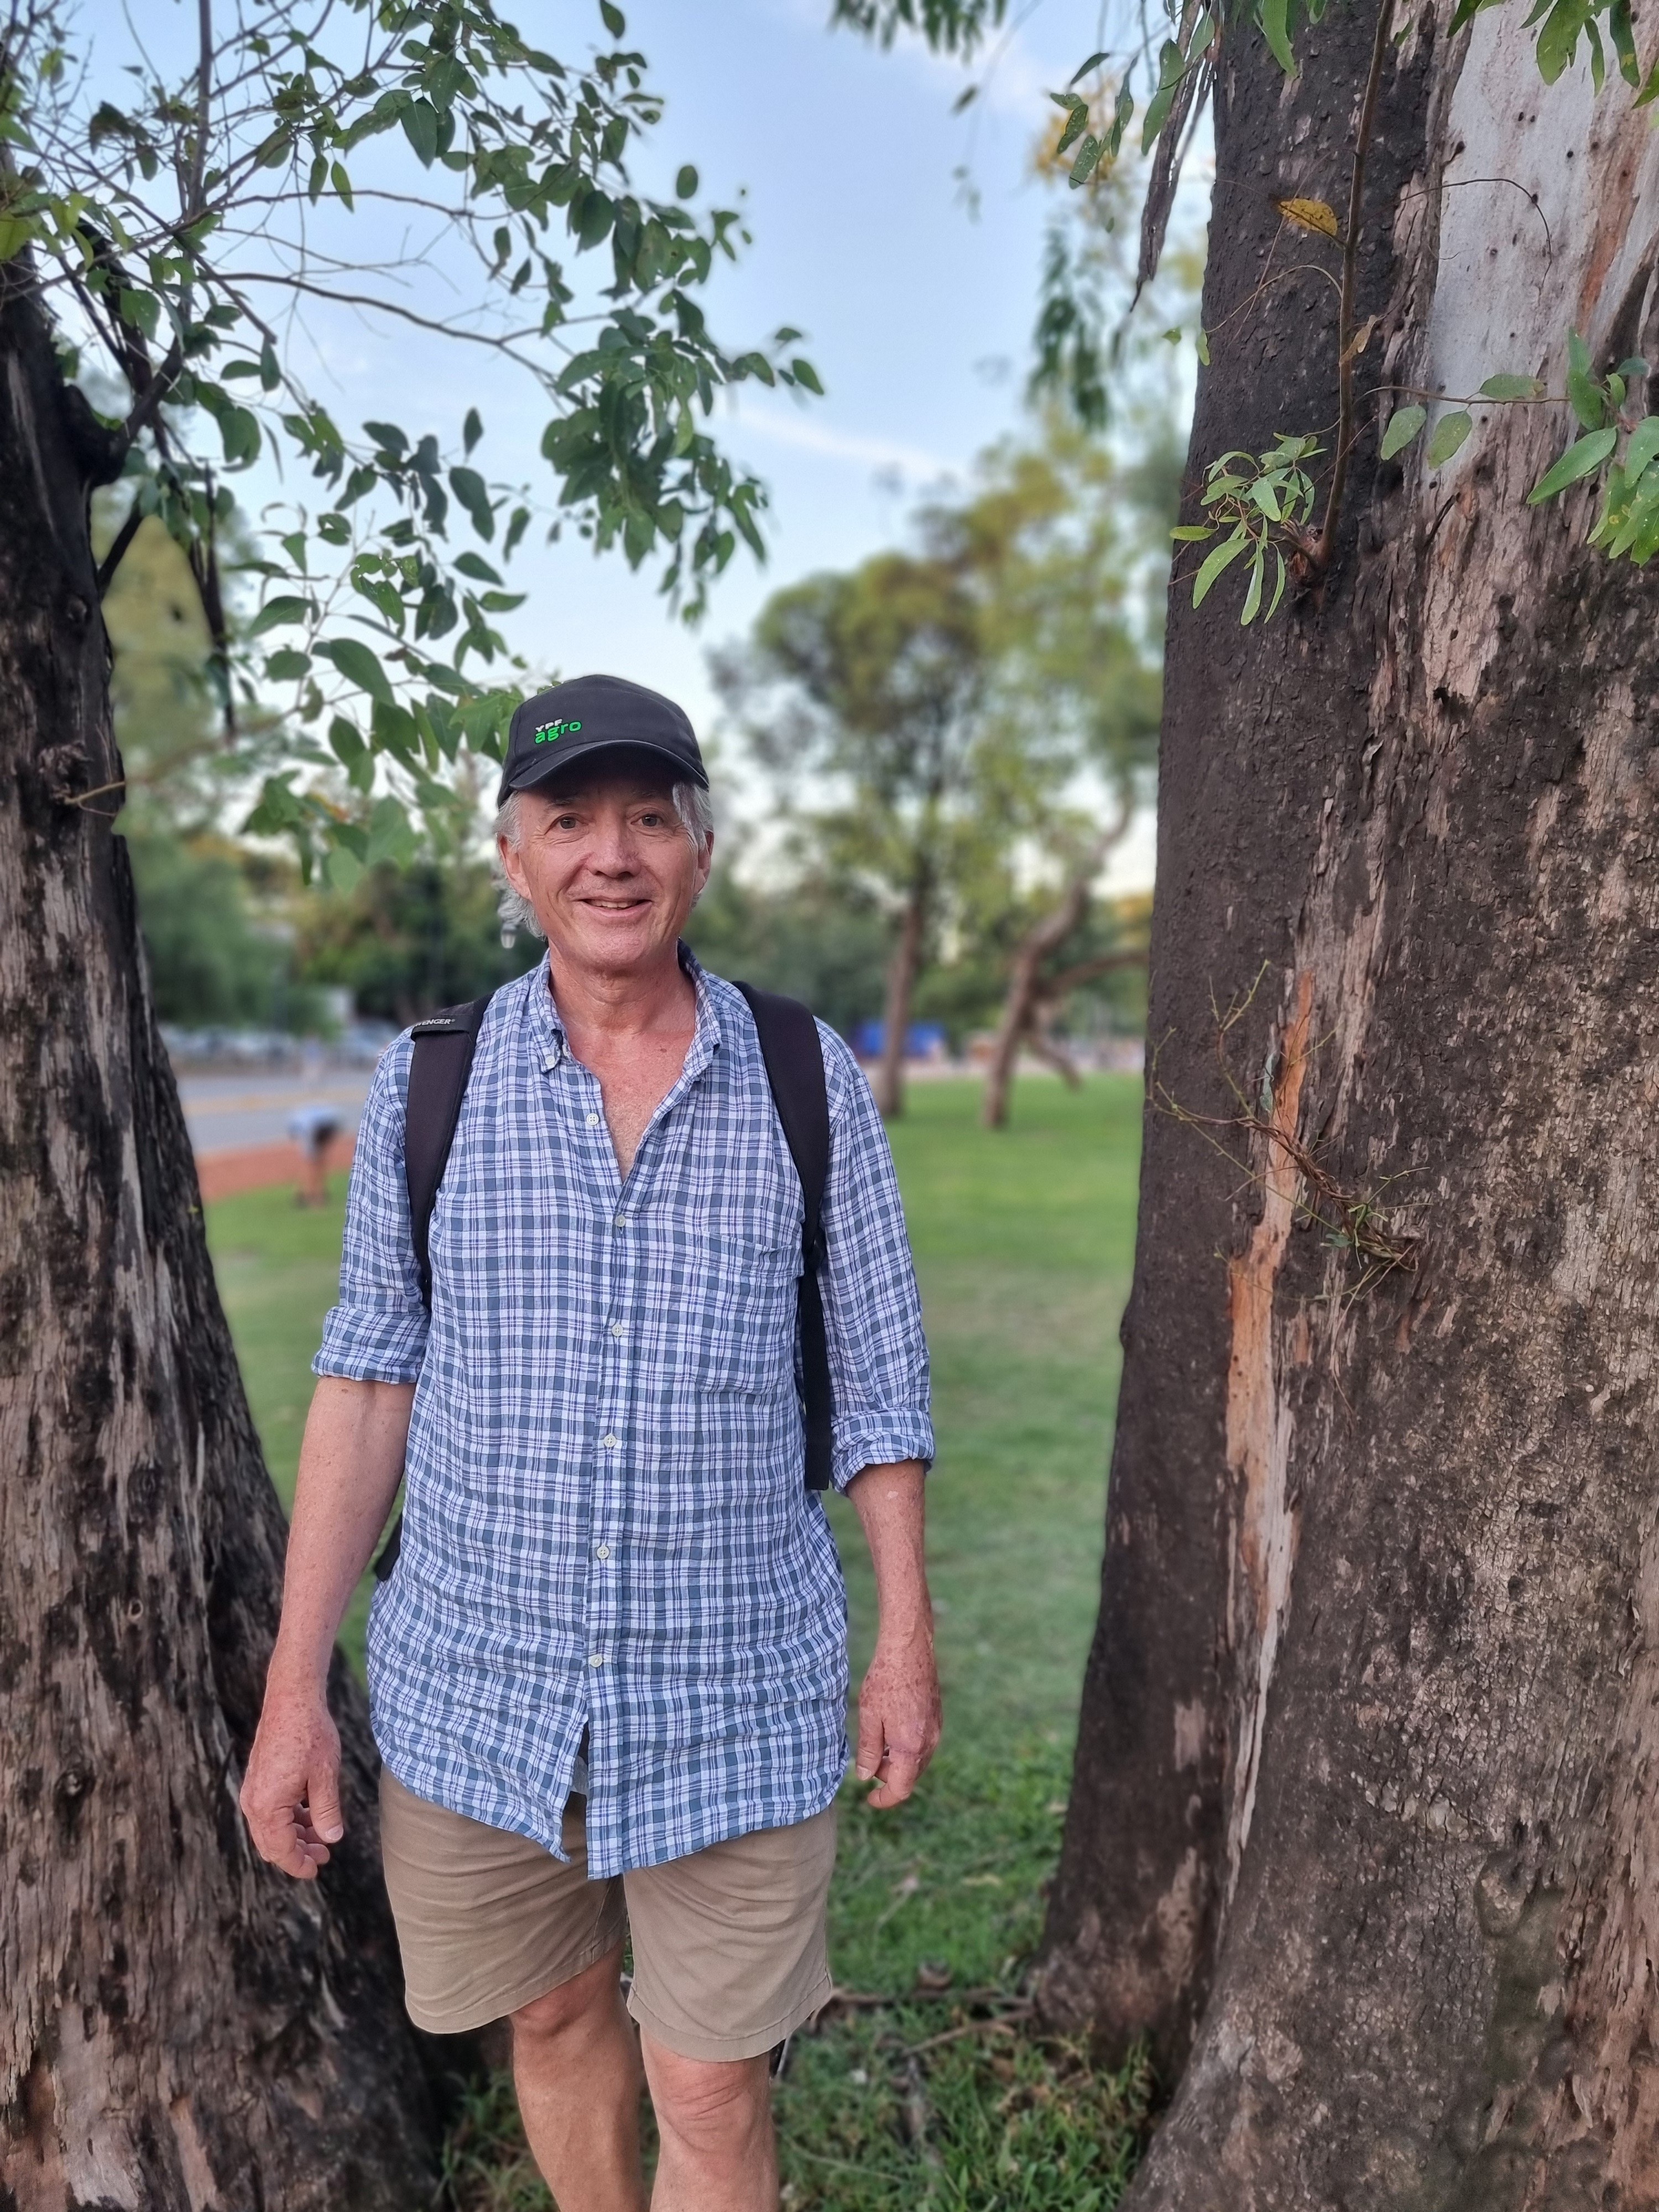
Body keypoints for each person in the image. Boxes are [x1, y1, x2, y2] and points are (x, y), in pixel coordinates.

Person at [239, 674, 941, 2212]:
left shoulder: (810, 1080)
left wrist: (904, 1643)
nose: (608, 855)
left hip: (735, 1689)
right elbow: (367, 1385)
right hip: (477, 1690)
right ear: (513, 857)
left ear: (700, 852)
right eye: (570, 820)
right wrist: (296, 1693)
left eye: (647, 818)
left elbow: (882, 1390)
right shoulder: (429, 1083)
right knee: (550, 2017)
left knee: (710, 2082)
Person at [286, 1102, 341, 1207]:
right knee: (312, 1163)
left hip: (323, 1127)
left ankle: (313, 1194)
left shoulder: (322, 1122)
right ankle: (309, 1194)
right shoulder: (305, 1127)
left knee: (318, 1162)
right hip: (316, 1128)